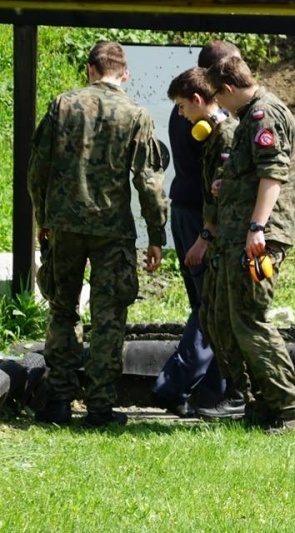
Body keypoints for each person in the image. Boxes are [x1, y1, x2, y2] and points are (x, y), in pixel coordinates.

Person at [27, 41, 169, 428]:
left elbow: (38, 165)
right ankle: (100, 408)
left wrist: (44, 214)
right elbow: (149, 181)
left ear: (90, 69)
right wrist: (157, 233)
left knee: (62, 309)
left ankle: (57, 401)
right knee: (108, 318)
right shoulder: (136, 114)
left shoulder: (62, 105)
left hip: (65, 227)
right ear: (124, 74)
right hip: (112, 232)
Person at [202, 55, 295, 432]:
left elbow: (273, 174)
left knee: (250, 320)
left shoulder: (261, 115)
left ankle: (293, 405)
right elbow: (255, 174)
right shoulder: (255, 112)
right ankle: (267, 404)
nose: (220, 107)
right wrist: (229, 186)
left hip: (256, 238)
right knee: (237, 320)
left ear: (228, 89)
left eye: (218, 99)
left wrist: (257, 226)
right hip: (245, 234)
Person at [151, 41, 245, 418]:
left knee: (204, 303)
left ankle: (210, 391)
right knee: (209, 304)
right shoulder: (208, 119)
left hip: (186, 210)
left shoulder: (187, 112)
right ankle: (176, 384)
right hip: (202, 216)